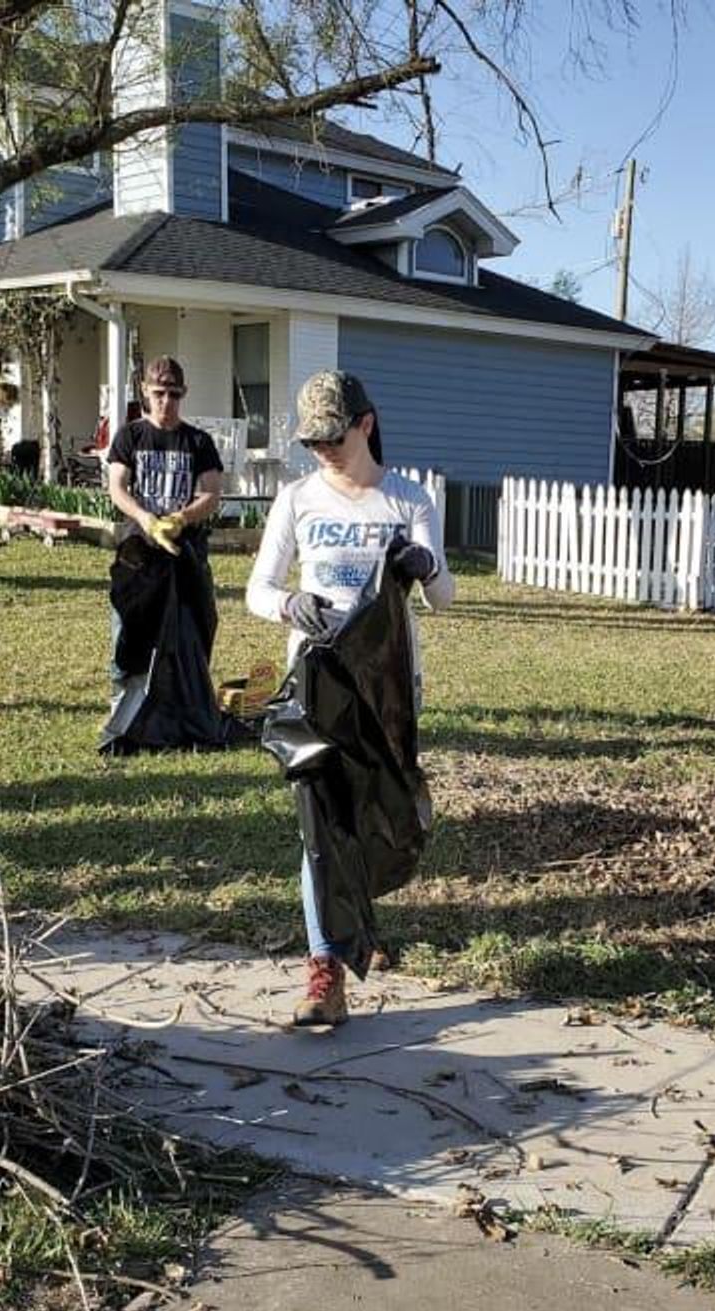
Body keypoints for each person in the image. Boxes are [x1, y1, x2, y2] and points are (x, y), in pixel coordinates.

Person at [246, 371, 452, 1027]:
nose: (324, 453)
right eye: (313, 443)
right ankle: (324, 973)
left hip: (386, 688)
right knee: (322, 830)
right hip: (316, 686)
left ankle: (359, 926)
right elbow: (257, 589)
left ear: (365, 425)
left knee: (376, 819)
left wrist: (426, 568)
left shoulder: (408, 500)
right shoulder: (298, 500)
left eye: (334, 438)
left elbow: (442, 599)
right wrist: (290, 604)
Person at [103, 356, 224, 722]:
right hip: (139, 550)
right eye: (159, 393)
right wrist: (146, 519)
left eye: (173, 394)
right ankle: (123, 705)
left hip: (184, 550)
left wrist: (180, 518)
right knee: (129, 625)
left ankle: (186, 704)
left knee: (196, 624)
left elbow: (212, 493)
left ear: (182, 394)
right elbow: (117, 487)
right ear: (145, 392)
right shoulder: (130, 436)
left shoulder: (198, 441)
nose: (166, 402)